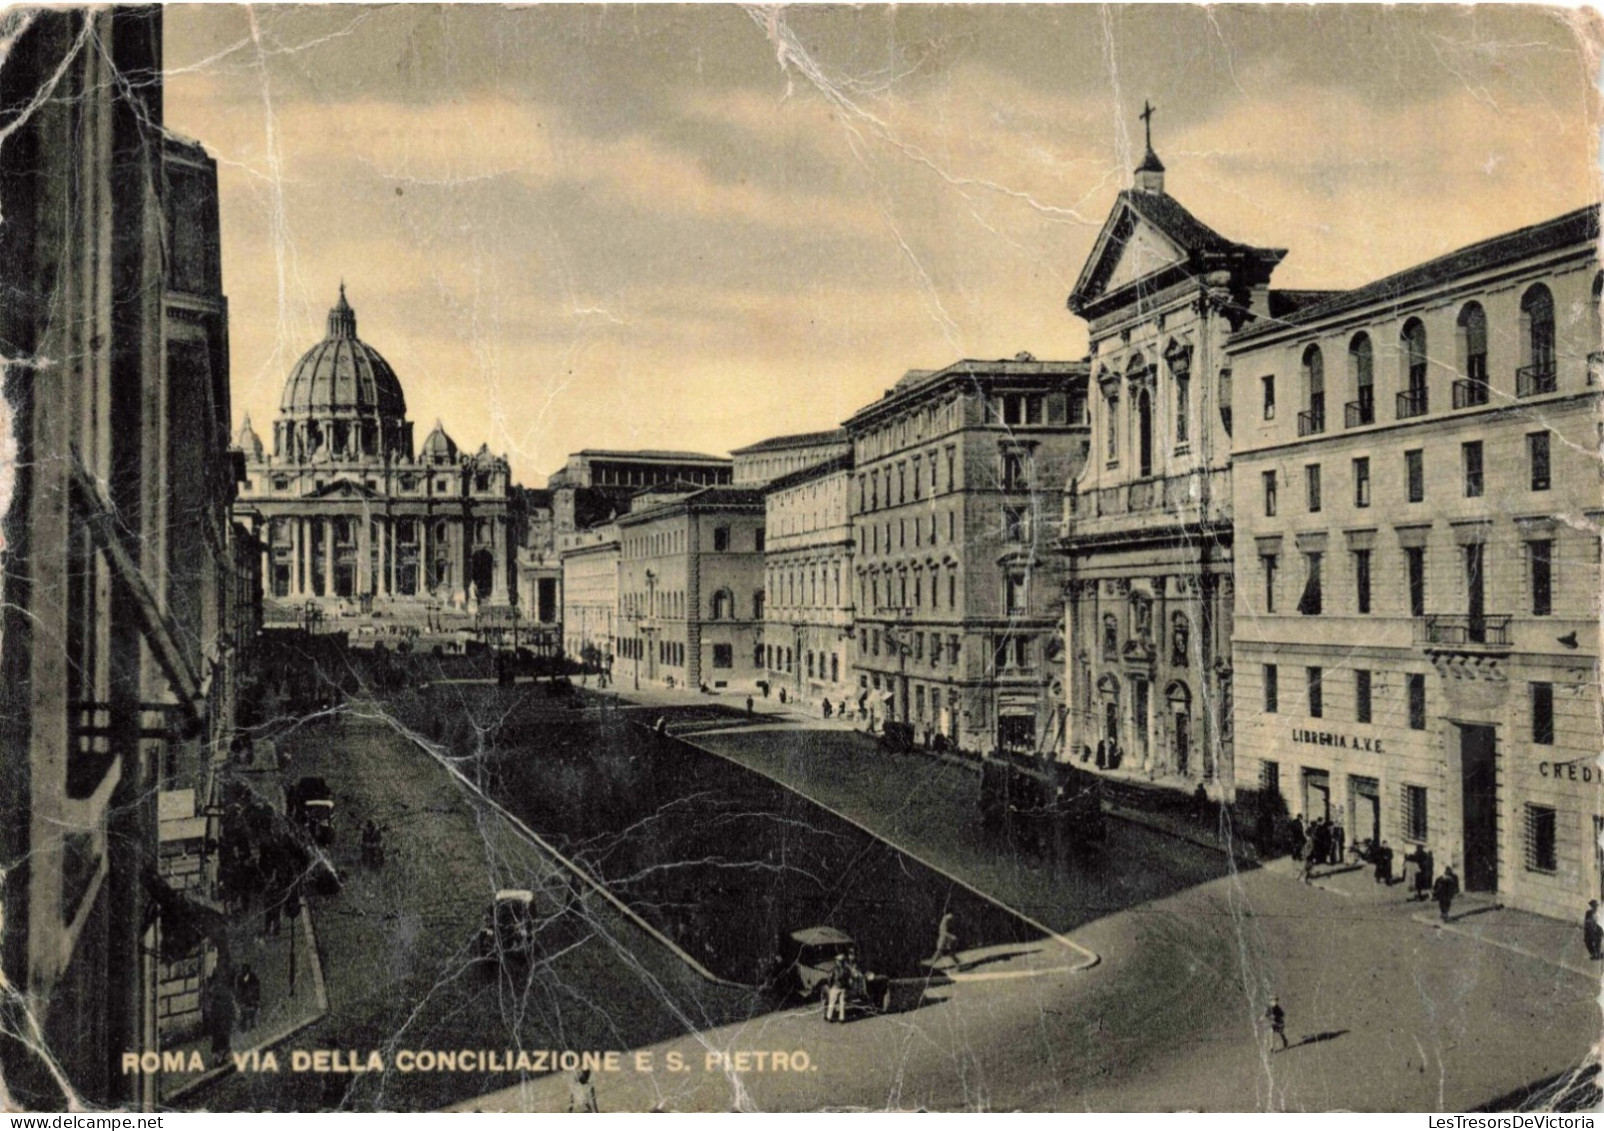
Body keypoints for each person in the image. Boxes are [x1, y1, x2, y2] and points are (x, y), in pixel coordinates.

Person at [235, 964, 262, 1033]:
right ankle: (242, 1030)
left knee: (252, 1017)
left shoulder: (254, 977)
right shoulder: (239, 978)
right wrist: (240, 1000)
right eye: (243, 970)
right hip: (243, 1001)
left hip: (252, 1001)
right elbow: (238, 990)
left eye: (246, 970)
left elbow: (257, 989)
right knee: (243, 1016)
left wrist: (255, 999)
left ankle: (252, 1030)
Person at [824, 954, 849, 1023]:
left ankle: (829, 1017)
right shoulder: (846, 969)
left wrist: (830, 985)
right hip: (843, 988)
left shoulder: (835, 969)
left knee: (832, 1002)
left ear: (838, 961)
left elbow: (830, 978)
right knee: (842, 1003)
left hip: (835, 987)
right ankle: (842, 1019)